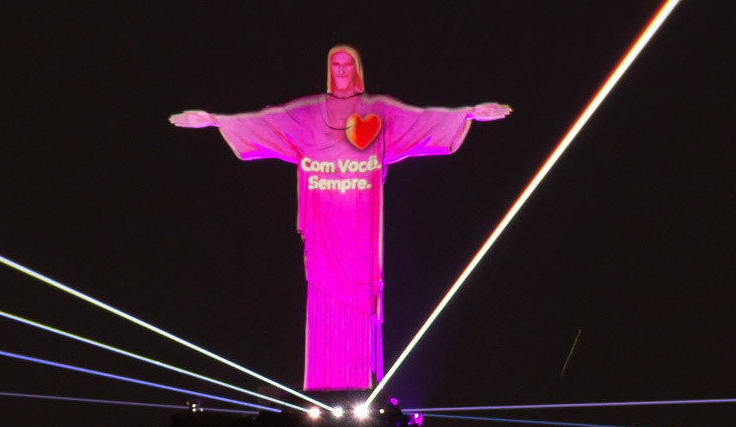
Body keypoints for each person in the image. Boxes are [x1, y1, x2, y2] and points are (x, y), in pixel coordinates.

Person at [171, 45, 509, 392]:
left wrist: (466, 114)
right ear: (329, 69)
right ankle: (323, 387)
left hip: (361, 230)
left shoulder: (378, 112)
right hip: (323, 223)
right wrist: (215, 119)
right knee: (322, 292)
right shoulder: (308, 115)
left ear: (357, 68)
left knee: (363, 297)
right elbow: (267, 122)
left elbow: (420, 119)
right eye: (336, 63)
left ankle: (362, 384)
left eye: (348, 63)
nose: (342, 69)